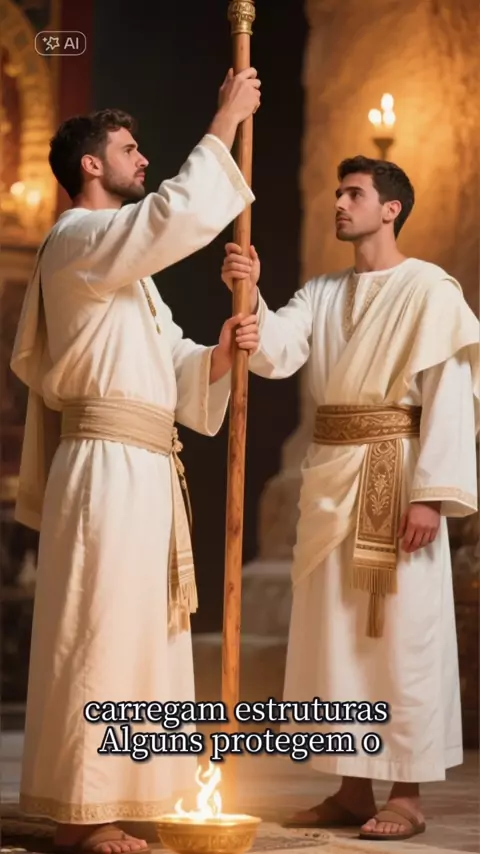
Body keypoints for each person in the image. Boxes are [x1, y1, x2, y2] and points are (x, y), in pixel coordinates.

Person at [10, 68, 261, 854]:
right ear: (91, 164)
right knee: (100, 631)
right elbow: (169, 217)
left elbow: (170, 365)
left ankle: (131, 792)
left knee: (143, 637)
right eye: (129, 149)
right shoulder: (78, 240)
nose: (142, 158)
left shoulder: (128, 273)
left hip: (146, 466)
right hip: (106, 468)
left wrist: (221, 353)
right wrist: (225, 122)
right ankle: (85, 813)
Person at [221, 155, 479, 842]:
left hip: (396, 479)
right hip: (333, 479)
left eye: (354, 194)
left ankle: (407, 794)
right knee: (334, 637)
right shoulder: (324, 291)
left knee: (401, 637)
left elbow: (450, 394)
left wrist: (431, 497)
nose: (340, 203)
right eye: (337, 193)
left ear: (391, 209)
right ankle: (350, 787)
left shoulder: (430, 289)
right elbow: (277, 352)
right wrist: (251, 293)